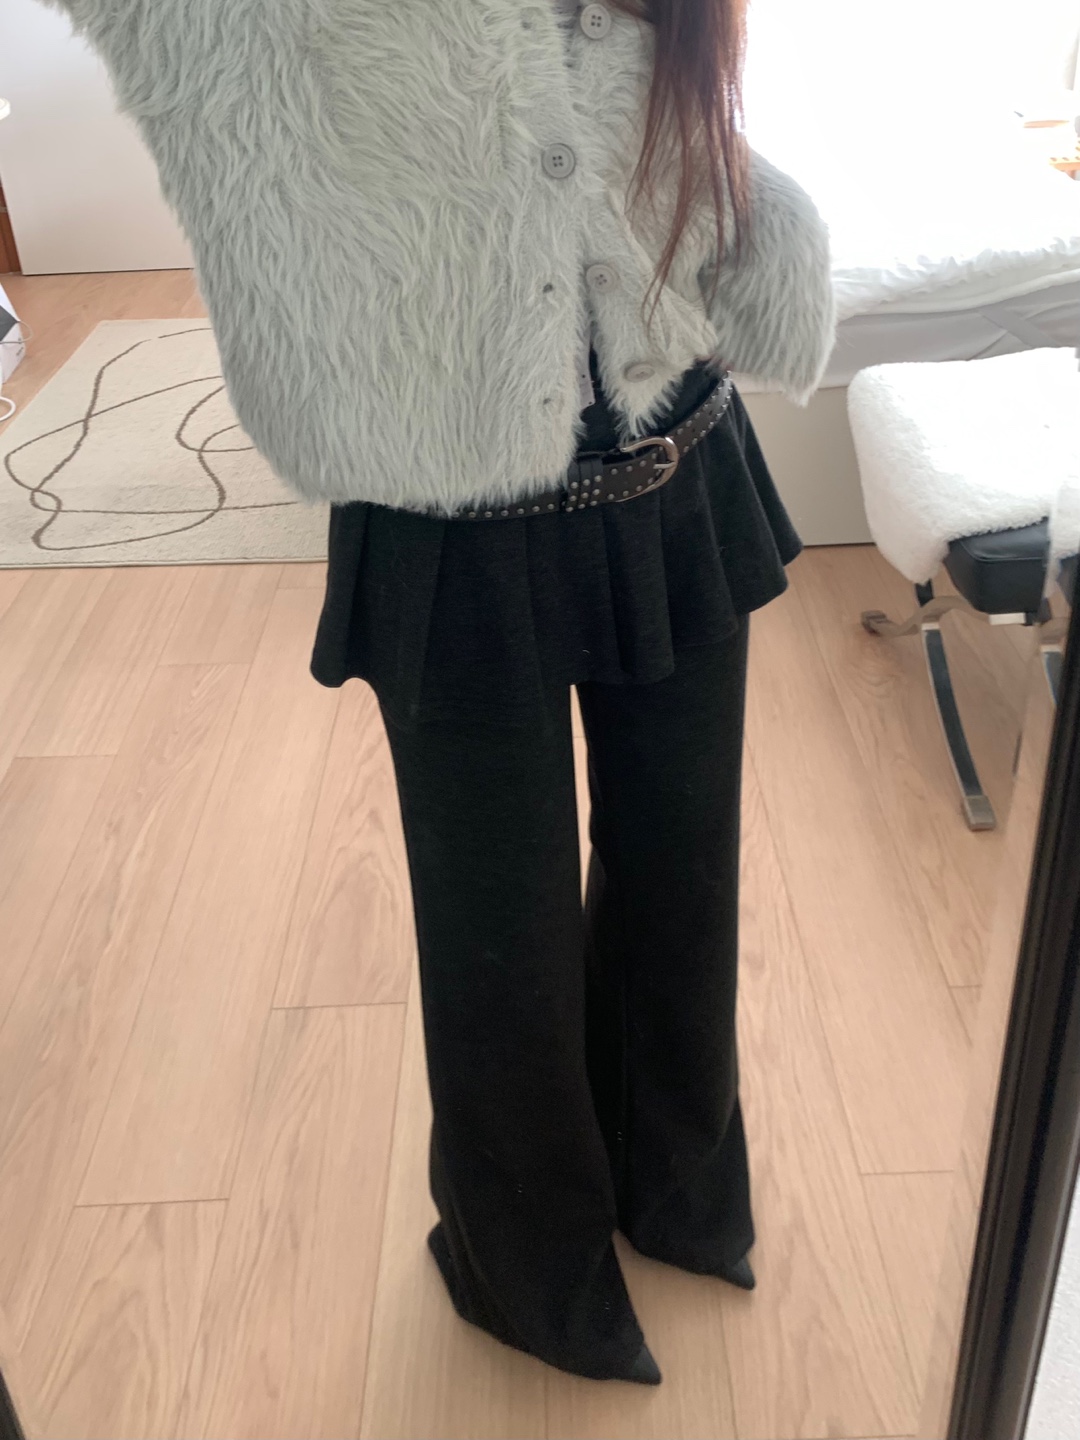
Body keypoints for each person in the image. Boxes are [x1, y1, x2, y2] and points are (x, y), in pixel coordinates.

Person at [48, 0, 835, 1385]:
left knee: (683, 875)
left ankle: (677, 1185)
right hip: (451, 520)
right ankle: (526, 1262)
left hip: (680, 448)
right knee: (497, 933)